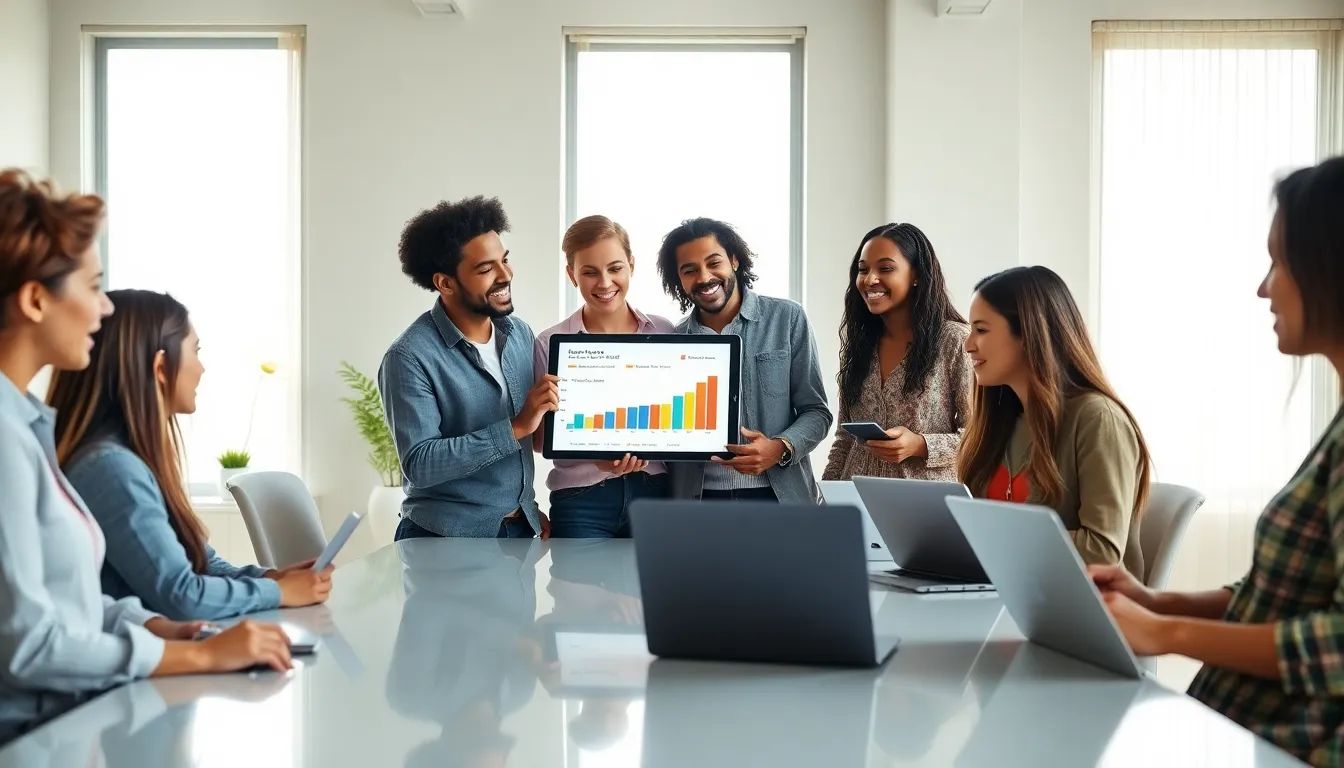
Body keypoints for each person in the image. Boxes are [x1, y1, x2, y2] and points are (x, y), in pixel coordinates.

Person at [0, 169, 291, 743]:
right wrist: (199, 658)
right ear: (36, 299)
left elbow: (70, 604)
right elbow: (29, 645)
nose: (104, 309)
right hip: (38, 736)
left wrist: (152, 627)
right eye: (92, 287)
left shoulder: (27, 424)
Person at [1091, 156, 1344, 767]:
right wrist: (1160, 602)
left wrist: (1168, 635)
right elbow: (1284, 598)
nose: (1264, 287)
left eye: (1279, 261)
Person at [47, 289, 333, 621]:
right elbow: (180, 594)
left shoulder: (131, 460)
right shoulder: (111, 470)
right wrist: (280, 593)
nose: (202, 368)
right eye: (195, 351)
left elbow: (201, 563)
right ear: (160, 368)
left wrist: (270, 578)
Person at [957, 265, 1151, 575]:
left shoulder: (1098, 418)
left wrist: (997, 539)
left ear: (1028, 333)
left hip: (1083, 610)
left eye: (981, 329)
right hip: (1001, 596)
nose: (968, 344)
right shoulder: (1000, 423)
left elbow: (1102, 552)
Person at [381, 195, 554, 541]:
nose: (506, 275)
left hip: (517, 531)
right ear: (445, 283)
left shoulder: (519, 334)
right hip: (444, 539)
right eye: (486, 268)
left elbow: (534, 436)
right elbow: (421, 463)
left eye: (505, 260)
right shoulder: (409, 356)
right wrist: (515, 426)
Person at [656, 217, 832, 503]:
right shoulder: (673, 340)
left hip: (779, 498)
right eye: (690, 270)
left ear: (734, 261)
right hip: (699, 503)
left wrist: (779, 448)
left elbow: (817, 413)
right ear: (679, 279)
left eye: (714, 263)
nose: (703, 278)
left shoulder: (787, 318)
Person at [533, 215, 674, 537]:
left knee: (651, 587)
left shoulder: (664, 331)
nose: (605, 283)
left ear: (632, 265)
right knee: (578, 588)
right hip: (582, 499)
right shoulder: (549, 343)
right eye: (589, 272)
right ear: (571, 275)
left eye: (615, 268)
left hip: (655, 493)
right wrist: (599, 459)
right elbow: (541, 441)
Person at [822, 223, 973, 483]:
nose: (869, 279)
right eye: (863, 270)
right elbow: (845, 439)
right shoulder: (861, 345)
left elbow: (979, 435)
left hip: (924, 505)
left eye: (886, 268)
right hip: (858, 501)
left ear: (916, 275)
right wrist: (825, 499)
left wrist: (921, 445)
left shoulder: (955, 341)